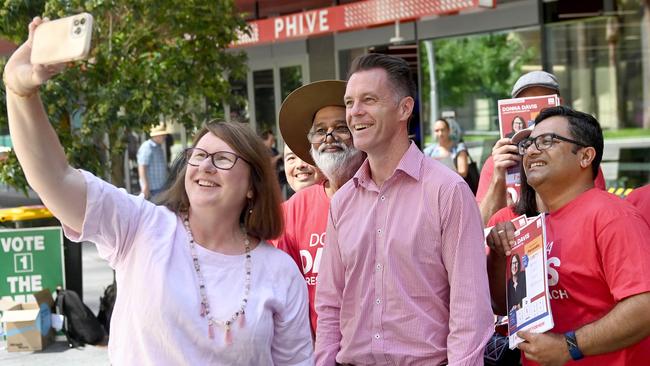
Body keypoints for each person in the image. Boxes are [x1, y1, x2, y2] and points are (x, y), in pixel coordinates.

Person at [3, 18, 313, 365]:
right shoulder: (142, 227)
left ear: (253, 187)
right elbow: (55, 179)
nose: (205, 166)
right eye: (198, 156)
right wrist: (21, 93)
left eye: (223, 159)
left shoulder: (281, 273)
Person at [315, 54, 493, 365]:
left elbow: (470, 310)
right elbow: (330, 305)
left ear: (404, 108)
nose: (354, 113)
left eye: (368, 100)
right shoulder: (342, 202)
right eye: (349, 102)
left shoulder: (447, 192)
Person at [487, 106, 650, 365]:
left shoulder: (612, 216)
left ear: (585, 156)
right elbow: (502, 307)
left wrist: (568, 346)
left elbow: (644, 306)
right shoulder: (530, 227)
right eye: (528, 144)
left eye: (547, 141)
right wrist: (498, 254)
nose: (531, 150)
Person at [274, 80, 365, 336]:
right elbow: (282, 294)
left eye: (340, 128)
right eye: (320, 130)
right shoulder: (294, 210)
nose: (329, 137)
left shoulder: (387, 198)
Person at [476, 70, 607, 224]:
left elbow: (596, 212)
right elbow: (480, 229)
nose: (532, 151)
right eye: (525, 102)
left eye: (542, 102)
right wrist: (498, 177)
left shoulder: (575, 156)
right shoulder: (496, 163)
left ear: (559, 104)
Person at [137, 123, 170, 200]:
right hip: (152, 189)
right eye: (163, 135)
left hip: (160, 187)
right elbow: (142, 167)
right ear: (157, 136)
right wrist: (145, 186)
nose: (165, 137)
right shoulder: (147, 147)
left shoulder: (158, 147)